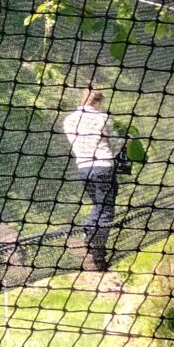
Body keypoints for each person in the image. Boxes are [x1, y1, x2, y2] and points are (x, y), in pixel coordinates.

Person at [59, 87, 118, 273]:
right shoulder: (102, 118)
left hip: (83, 168)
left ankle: (89, 232)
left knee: (97, 205)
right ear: (98, 101)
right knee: (106, 210)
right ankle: (97, 251)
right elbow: (114, 144)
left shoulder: (69, 120)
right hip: (103, 166)